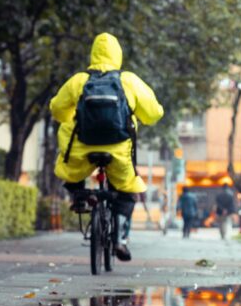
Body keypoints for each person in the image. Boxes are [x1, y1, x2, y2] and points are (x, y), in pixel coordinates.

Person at [50, 33, 163, 261]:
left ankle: (79, 195)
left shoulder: (79, 80)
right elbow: (152, 113)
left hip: (83, 148)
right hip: (118, 151)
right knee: (128, 190)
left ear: (93, 54)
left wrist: (71, 115)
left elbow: (57, 109)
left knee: (69, 161)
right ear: (118, 55)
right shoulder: (128, 80)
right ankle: (120, 239)